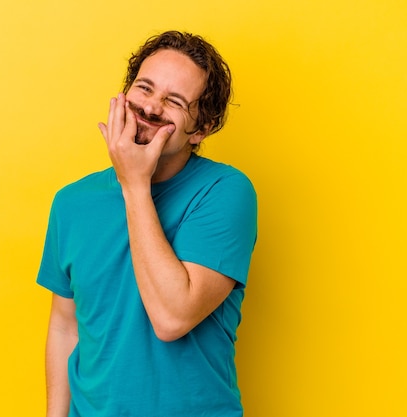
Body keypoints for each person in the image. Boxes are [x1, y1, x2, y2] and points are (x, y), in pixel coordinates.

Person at [37, 30, 258, 417]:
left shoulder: (225, 192)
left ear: (201, 129)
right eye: (145, 88)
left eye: (174, 101)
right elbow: (65, 326)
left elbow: (172, 318)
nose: (152, 108)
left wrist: (134, 183)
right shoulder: (71, 202)